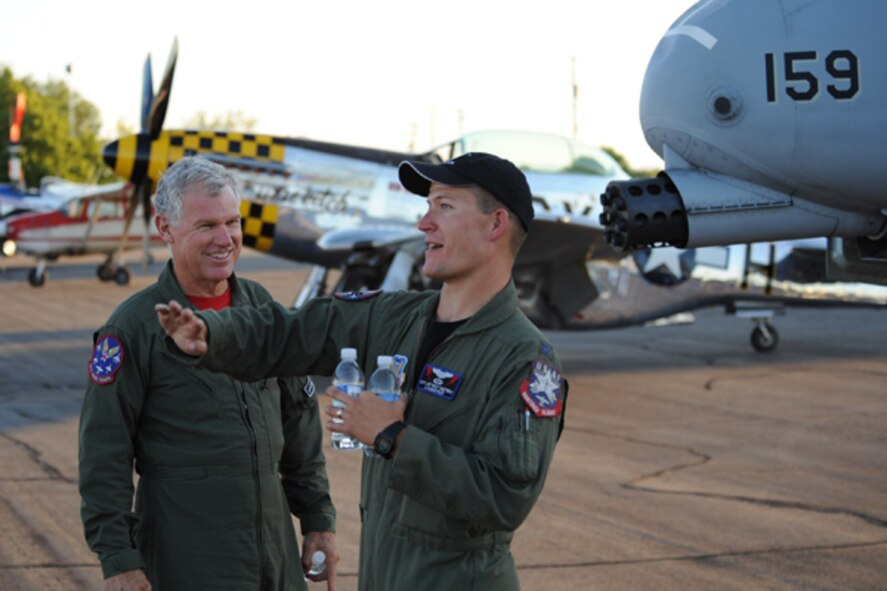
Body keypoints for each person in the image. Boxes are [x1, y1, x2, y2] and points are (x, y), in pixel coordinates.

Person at [157, 152, 568, 591]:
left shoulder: (523, 359)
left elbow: (504, 498)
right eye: (428, 206)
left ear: (495, 224)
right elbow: (294, 331)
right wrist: (213, 334)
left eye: (444, 206)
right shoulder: (393, 318)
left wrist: (393, 437)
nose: (423, 223)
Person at [79, 157, 338, 591]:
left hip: (274, 554)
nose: (226, 239)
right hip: (187, 556)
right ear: (166, 229)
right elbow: (104, 453)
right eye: (206, 226)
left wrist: (318, 519)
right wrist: (119, 561)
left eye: (232, 223)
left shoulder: (264, 310)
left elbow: (299, 420)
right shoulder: (132, 329)